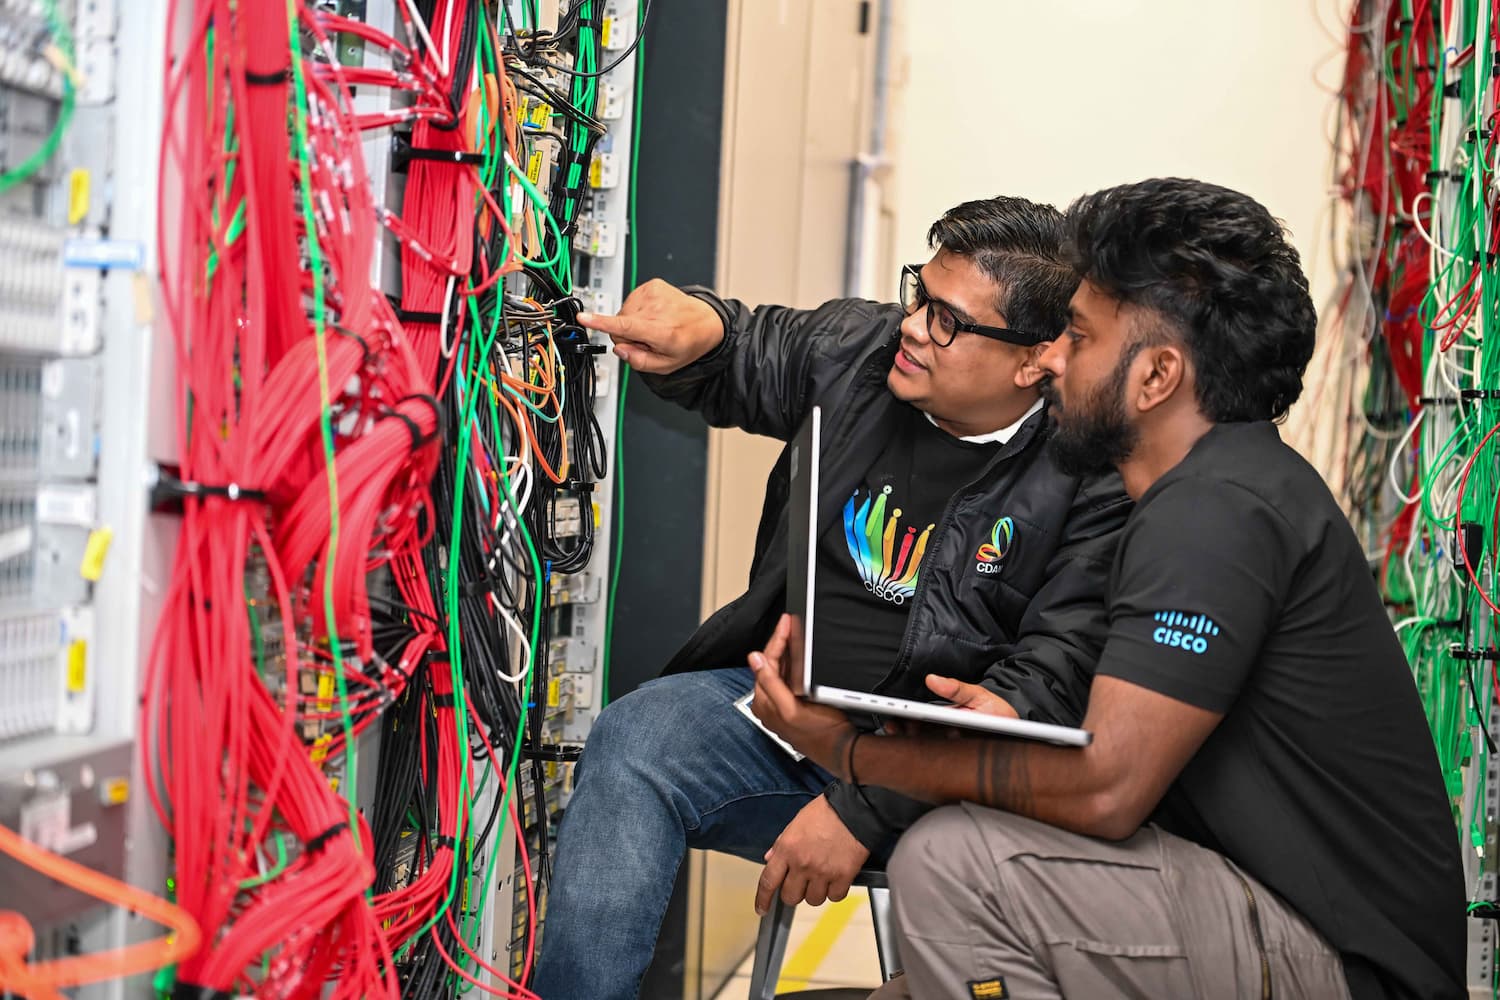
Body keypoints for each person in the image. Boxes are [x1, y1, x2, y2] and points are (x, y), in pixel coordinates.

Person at [748, 177, 1466, 999]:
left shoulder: (1214, 513)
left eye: (1079, 338)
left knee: (955, 863)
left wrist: (853, 753)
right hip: (1246, 912)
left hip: (1341, 963)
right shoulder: (1209, 489)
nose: (1050, 356)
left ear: (1156, 376)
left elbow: (1107, 790)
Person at [531, 196, 1132, 999]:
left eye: (948, 321)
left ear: (1033, 361)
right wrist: (698, 324)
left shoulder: (1090, 477)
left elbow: (1043, 688)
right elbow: (750, 345)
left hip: (947, 782)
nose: (914, 326)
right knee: (638, 736)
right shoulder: (863, 351)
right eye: (919, 293)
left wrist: (863, 807)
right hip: (786, 722)